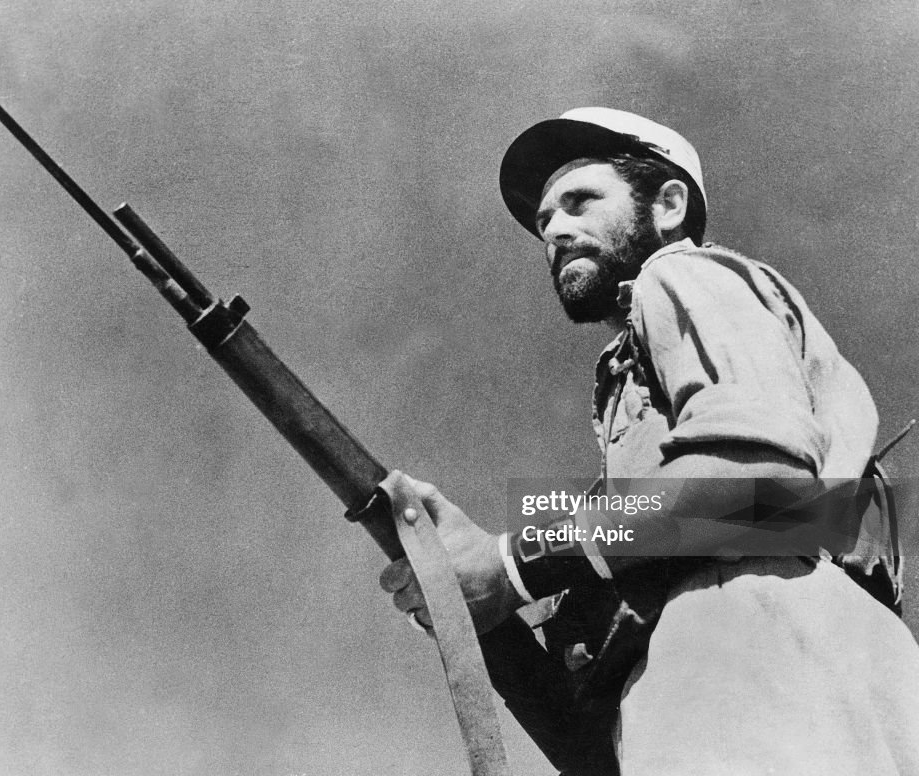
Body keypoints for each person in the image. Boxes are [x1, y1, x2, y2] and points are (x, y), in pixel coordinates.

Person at [379, 108, 919, 774]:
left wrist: (510, 561)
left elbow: (750, 480)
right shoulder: (647, 370)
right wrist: (472, 575)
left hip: (751, 641)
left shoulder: (680, 276)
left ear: (667, 205)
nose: (555, 230)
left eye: (580, 201)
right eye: (545, 222)